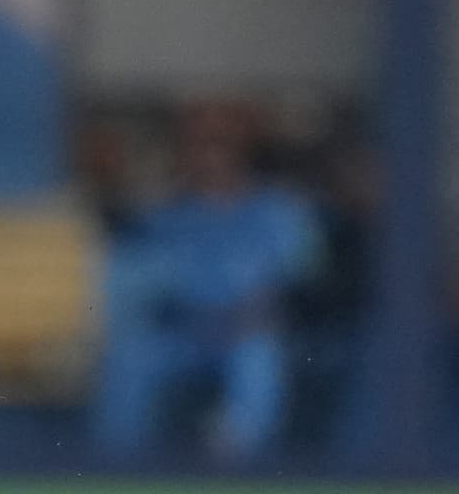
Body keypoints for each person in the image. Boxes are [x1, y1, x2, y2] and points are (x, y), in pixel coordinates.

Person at [87, 100, 320, 468]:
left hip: (247, 332)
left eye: (221, 142)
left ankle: (238, 471)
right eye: (200, 144)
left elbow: (301, 280)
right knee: (131, 359)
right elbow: (141, 284)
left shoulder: (279, 211)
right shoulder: (167, 214)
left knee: (259, 358)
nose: (211, 155)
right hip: (184, 333)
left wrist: (253, 312)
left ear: (244, 149)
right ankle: (115, 473)